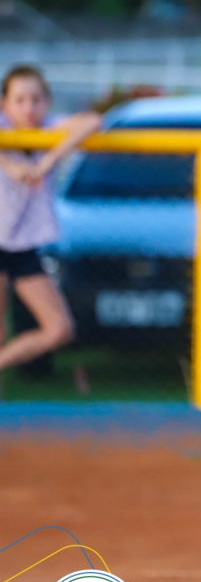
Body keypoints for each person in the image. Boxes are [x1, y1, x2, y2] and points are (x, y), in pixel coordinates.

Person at [0, 65, 101, 381]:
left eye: (36, 99)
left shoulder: (49, 130)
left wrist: (48, 160)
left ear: (47, 102)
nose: (28, 108)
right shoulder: (4, 127)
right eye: (19, 100)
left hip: (23, 245)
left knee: (59, 328)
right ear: (5, 104)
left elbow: (93, 121)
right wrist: (10, 166)